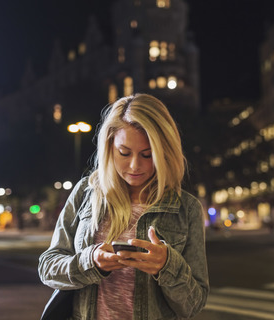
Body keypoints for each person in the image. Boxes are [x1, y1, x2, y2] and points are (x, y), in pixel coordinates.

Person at [39, 93, 209, 319]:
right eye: (124, 153)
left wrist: (167, 266)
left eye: (148, 155)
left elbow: (193, 305)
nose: (135, 165)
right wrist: (91, 261)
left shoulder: (186, 208)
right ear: (109, 146)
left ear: (165, 153)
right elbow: (48, 268)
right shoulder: (86, 193)